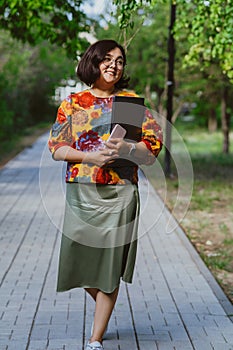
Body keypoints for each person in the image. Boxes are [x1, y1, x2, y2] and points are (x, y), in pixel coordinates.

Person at [48, 39, 162, 350]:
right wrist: (89, 157)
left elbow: (151, 151)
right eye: (107, 59)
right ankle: (103, 307)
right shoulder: (73, 103)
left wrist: (125, 148)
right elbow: (57, 149)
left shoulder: (130, 104)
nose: (114, 64)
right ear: (93, 62)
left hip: (121, 191)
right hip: (82, 191)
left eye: (120, 60)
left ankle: (95, 339)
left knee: (110, 265)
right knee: (81, 261)